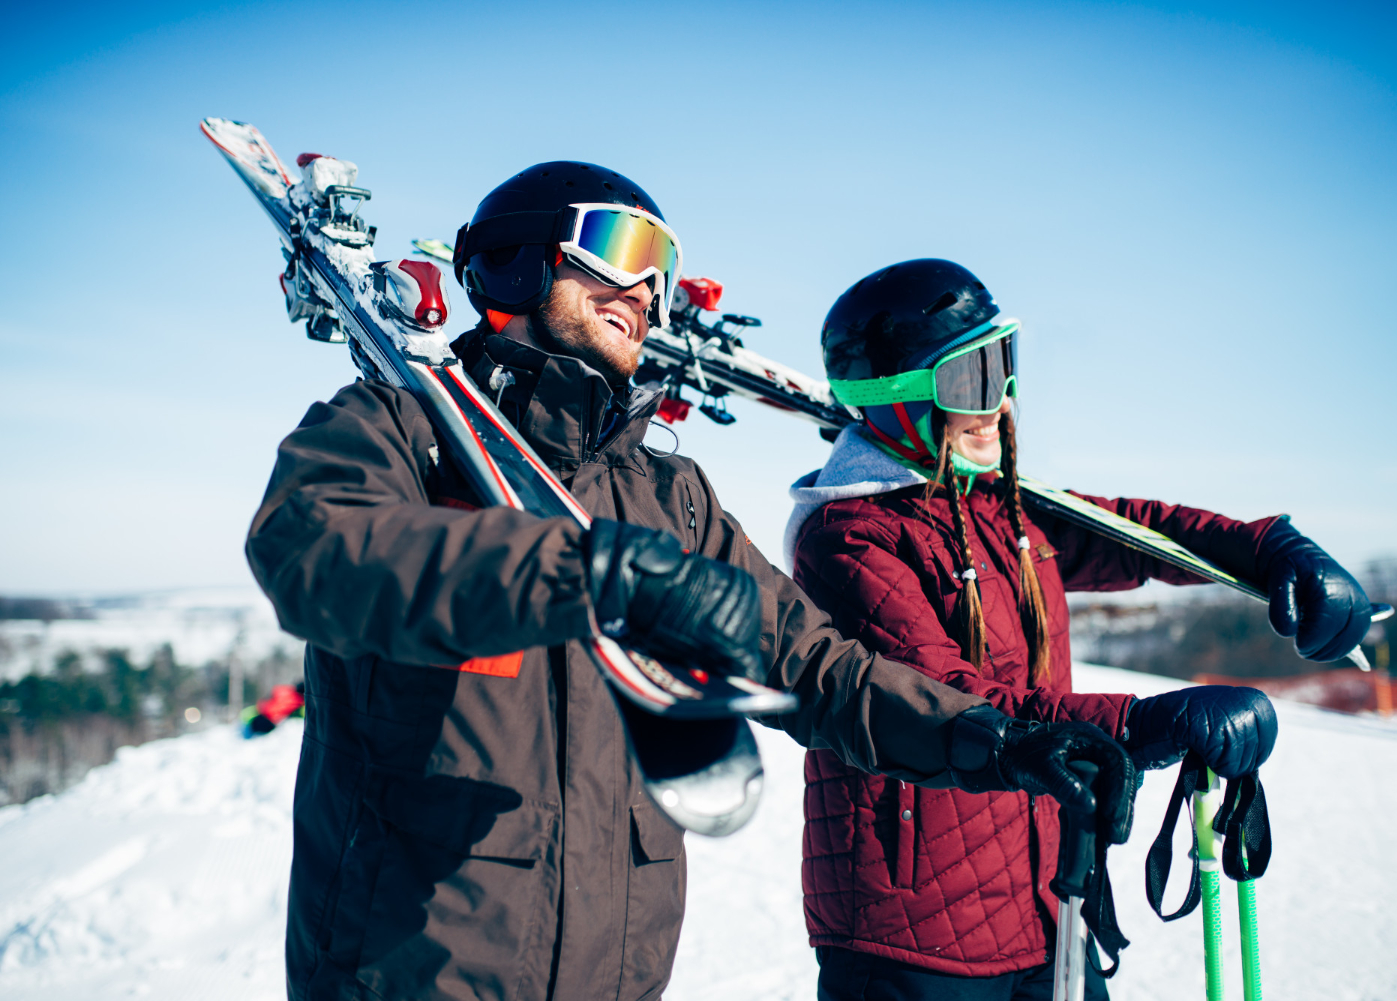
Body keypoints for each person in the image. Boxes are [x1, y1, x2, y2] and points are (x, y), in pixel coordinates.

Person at [245, 171, 1138, 1001]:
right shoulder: (399, 432)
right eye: (623, 250)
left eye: (662, 269)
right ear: (520, 260)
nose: (646, 291)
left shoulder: (671, 497)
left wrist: (987, 739)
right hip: (412, 973)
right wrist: (588, 572)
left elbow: (815, 666)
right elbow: (313, 551)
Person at [787, 259, 1370, 1000]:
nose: (1000, 401)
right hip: (913, 938)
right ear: (898, 399)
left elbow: (1137, 532)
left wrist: (1265, 548)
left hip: (1047, 904)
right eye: (971, 378)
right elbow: (954, 702)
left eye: (1004, 363)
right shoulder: (849, 538)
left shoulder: (1001, 508)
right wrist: (1142, 724)